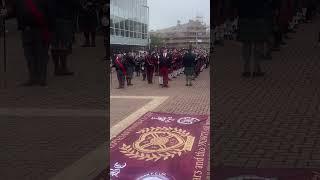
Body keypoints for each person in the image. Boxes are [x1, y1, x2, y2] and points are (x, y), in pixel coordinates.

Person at [16, 0, 56, 86]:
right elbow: (16, 12)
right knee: (30, 56)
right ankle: (34, 77)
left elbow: (50, 14)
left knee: (40, 55)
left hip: (40, 30)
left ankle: (40, 78)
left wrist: (50, 29)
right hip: (28, 30)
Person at [233, 0, 268, 77]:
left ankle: (246, 68)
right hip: (259, 15)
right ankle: (256, 68)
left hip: (244, 15)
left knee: (246, 43)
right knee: (258, 43)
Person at [51, 0, 79, 76]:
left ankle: (57, 68)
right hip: (64, 19)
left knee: (55, 45)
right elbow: (75, 5)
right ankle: (63, 67)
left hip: (52, 20)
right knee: (63, 44)